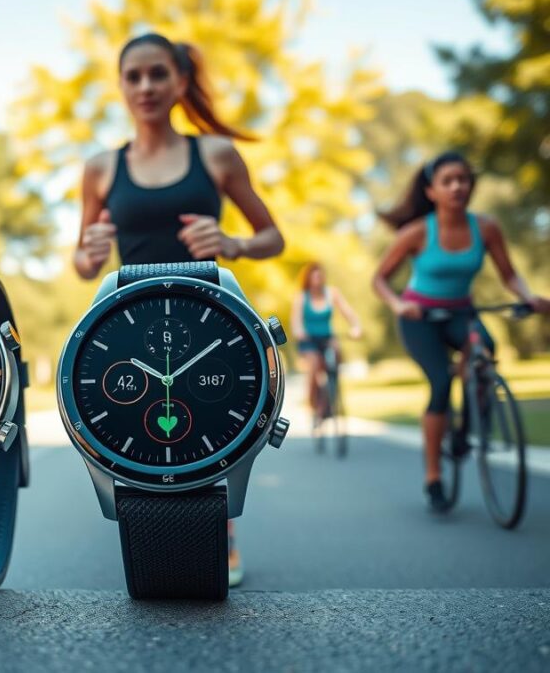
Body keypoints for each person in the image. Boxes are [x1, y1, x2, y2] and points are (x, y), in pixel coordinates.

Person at [74, 33, 285, 586]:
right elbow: (81, 261)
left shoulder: (214, 154)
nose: (145, 86)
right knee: (139, 428)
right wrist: (88, 252)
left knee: (215, 428)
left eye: (157, 74)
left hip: (210, 317)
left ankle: (219, 530)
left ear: (180, 82)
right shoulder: (100, 168)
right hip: (130, 323)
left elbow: (273, 237)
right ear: (120, 85)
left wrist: (233, 243)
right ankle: (150, 530)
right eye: (134, 76)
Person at [372, 151, 550, 512]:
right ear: (432, 191)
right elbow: (379, 279)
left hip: (461, 314)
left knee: (485, 347)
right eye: (448, 181)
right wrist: (398, 304)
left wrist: (529, 296)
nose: (457, 186)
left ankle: (470, 423)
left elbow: (509, 275)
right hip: (419, 317)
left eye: (463, 179)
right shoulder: (417, 232)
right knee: (440, 382)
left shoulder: (486, 228)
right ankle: (434, 476)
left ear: (471, 185)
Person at [290, 263, 362, 423]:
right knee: (314, 365)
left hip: (327, 337)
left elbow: (348, 312)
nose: (318, 279)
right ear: (308, 278)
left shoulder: (332, 293)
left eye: (320, 275)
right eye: (314, 276)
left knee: (336, 352)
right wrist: (299, 331)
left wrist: (355, 327)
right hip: (308, 340)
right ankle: (314, 404)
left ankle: (332, 393)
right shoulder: (302, 297)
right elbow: (296, 321)